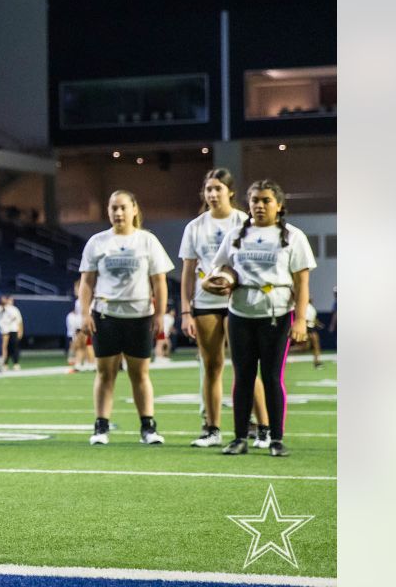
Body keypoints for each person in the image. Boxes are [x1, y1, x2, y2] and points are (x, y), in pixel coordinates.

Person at [203, 179, 316, 457]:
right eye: (255, 200)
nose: (259, 205)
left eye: (266, 200)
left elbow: (302, 283)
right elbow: (218, 269)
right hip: (241, 312)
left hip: (276, 314)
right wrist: (218, 281)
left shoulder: (293, 236)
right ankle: (240, 438)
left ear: (279, 205)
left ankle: (276, 439)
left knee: (272, 377)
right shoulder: (235, 235)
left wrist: (300, 320)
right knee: (242, 376)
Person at [178, 168, 270, 449]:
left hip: (238, 301)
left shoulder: (243, 221)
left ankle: (264, 427)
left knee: (245, 367)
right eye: (208, 189)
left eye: (218, 188)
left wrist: (233, 281)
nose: (213, 194)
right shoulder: (195, 227)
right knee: (212, 366)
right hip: (206, 302)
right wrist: (185, 310)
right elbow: (188, 270)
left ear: (230, 191)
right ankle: (212, 428)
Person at [78, 190, 174, 446]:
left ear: (134, 209)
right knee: (105, 373)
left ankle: (148, 426)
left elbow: (159, 281)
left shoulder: (147, 241)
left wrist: (160, 314)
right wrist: (84, 313)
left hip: (139, 315)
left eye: (123, 207)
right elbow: (87, 282)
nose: (118, 213)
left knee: (140, 373)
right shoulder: (97, 242)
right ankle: (101, 426)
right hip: (106, 314)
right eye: (113, 208)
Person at [0, 294, 24, 371]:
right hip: (4, 331)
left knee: (14, 347)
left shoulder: (14, 309)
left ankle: (16, 363)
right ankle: (4, 363)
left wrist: (20, 331)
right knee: (5, 347)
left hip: (13, 330)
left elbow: (19, 321)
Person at [300, 301, 324, 369]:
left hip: (311, 328)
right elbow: (304, 319)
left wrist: (318, 323)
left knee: (316, 345)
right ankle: (287, 352)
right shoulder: (303, 306)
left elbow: (313, 318)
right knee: (305, 347)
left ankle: (317, 362)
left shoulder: (311, 308)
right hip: (306, 328)